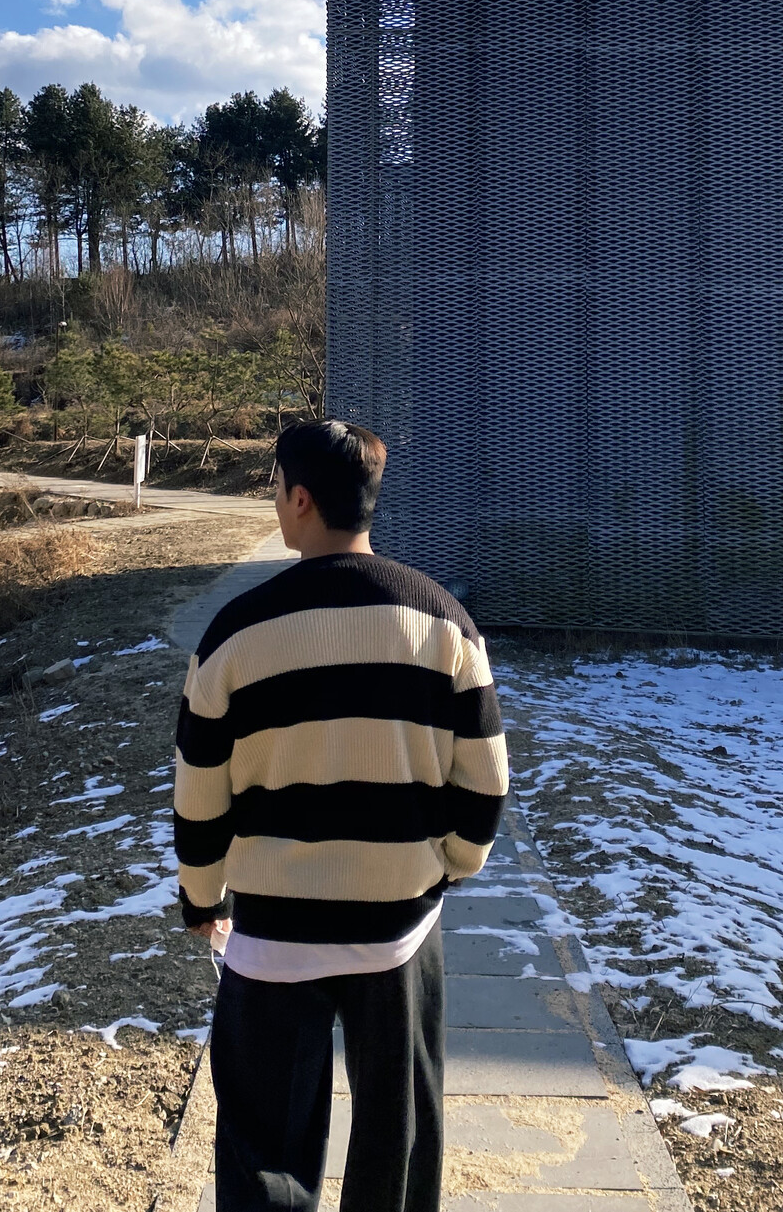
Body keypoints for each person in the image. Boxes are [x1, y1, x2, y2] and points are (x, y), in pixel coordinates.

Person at [173, 419, 509, 1212]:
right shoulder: (442, 621)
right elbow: (486, 778)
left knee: (263, 1149)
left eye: (274, 487)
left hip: (273, 935)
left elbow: (199, 792)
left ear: (301, 498)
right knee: (399, 1140)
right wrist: (452, 864)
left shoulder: (232, 636)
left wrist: (202, 898)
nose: (274, 501)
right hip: (400, 927)